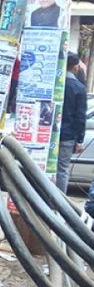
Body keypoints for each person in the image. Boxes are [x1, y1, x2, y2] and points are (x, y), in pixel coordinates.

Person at [56, 52, 87, 193]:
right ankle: (58, 204)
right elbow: (80, 117)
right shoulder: (79, 88)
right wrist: (79, 139)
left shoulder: (55, 84)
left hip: (49, 134)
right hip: (67, 137)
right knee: (62, 170)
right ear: (75, 68)